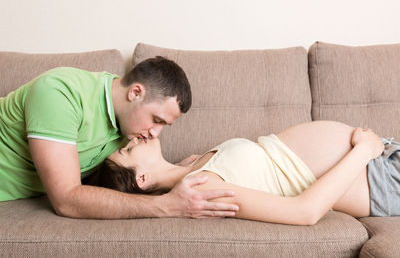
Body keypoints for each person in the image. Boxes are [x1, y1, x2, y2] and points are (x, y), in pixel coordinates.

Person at [0, 56, 239, 219]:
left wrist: (179, 170)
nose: (155, 134)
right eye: (156, 120)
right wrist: (165, 206)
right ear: (135, 92)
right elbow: (66, 200)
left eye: (164, 125)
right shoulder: (60, 93)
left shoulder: (127, 132)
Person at [91, 120, 399, 225]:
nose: (133, 139)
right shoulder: (199, 188)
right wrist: (363, 151)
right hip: (379, 176)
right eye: (128, 151)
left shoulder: (192, 168)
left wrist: (183, 167)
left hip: (382, 156)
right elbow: (305, 212)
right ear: (141, 179)